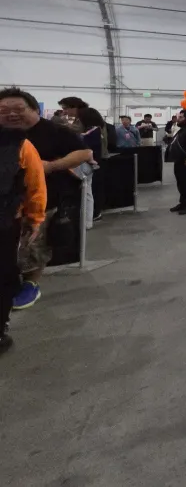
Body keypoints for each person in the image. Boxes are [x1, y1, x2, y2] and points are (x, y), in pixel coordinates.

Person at [0, 88, 91, 310]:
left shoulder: (55, 131)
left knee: (34, 246)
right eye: (4, 110)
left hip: (45, 198)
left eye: (18, 109)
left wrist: (51, 166)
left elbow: (84, 153)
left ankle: (31, 284)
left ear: (34, 109)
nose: (11, 114)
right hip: (6, 207)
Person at [0, 128, 47, 355]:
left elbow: (34, 182)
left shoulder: (19, 144)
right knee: (4, 274)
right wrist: (34, 218)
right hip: (6, 221)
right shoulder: (19, 144)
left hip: (7, 220)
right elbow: (35, 183)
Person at [78, 107, 107, 223]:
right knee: (89, 192)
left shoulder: (94, 131)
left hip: (91, 164)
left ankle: (90, 218)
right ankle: (89, 219)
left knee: (89, 193)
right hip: (93, 163)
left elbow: (88, 146)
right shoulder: (97, 130)